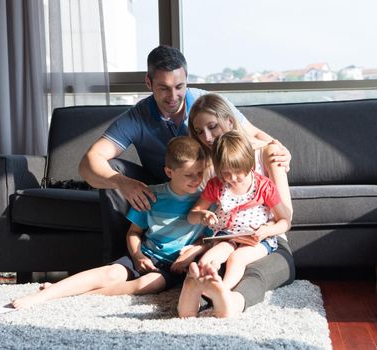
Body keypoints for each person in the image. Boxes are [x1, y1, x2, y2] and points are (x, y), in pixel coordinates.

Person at [78, 45, 290, 262]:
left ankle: (195, 256)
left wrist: (280, 150)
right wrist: (122, 182)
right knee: (112, 170)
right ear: (149, 83)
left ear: (187, 79)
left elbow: (252, 136)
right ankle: (125, 260)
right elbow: (88, 163)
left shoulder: (205, 104)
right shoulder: (137, 117)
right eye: (163, 88)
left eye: (179, 86)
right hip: (162, 186)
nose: (173, 96)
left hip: (205, 189)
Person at [12, 136, 209, 309]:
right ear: (169, 172)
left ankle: (78, 297)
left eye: (199, 173)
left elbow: (209, 239)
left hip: (174, 265)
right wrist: (138, 255)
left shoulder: (205, 200)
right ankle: (44, 295)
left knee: (150, 283)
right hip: (145, 255)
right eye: (189, 175)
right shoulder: (152, 195)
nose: (196, 179)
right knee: (111, 274)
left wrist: (193, 252)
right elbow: (134, 232)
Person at [178, 93, 295, 318]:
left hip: (266, 240)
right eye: (200, 132)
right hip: (225, 238)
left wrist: (262, 232)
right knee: (209, 266)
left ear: (230, 121)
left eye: (213, 127)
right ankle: (190, 302)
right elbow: (205, 216)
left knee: (251, 272)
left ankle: (229, 302)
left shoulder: (267, 153)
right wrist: (202, 244)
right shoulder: (210, 170)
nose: (208, 137)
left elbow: (286, 215)